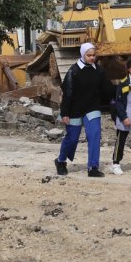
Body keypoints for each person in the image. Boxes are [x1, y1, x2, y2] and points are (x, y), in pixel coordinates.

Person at [54, 42, 114, 178]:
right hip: (74, 109)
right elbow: (67, 93)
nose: (92, 58)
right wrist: (65, 113)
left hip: (92, 108)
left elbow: (108, 88)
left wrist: (123, 89)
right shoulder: (73, 71)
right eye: (89, 55)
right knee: (72, 138)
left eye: (94, 55)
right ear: (83, 55)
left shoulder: (98, 70)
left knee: (94, 135)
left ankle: (93, 167)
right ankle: (61, 161)